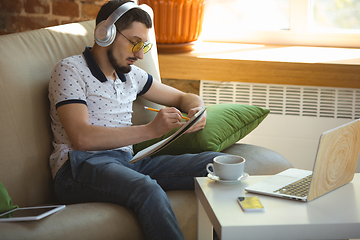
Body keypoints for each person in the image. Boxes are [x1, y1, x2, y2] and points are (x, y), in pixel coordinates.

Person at [48, 0, 224, 239]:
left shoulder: (132, 76)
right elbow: (82, 138)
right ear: (105, 33)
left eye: (145, 46)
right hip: (79, 167)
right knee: (146, 189)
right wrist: (152, 130)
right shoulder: (70, 69)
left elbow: (184, 97)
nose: (140, 54)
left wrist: (197, 110)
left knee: (220, 164)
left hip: (128, 162)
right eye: (135, 43)